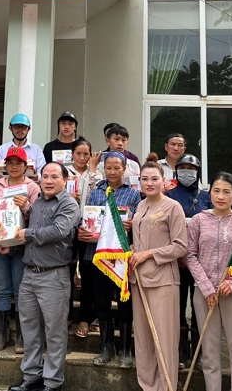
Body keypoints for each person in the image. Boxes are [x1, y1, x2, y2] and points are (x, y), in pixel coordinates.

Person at [8, 162, 79, 391]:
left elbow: (58, 231)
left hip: (54, 276)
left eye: (54, 177)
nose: (48, 181)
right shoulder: (38, 201)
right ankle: (31, 377)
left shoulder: (69, 204)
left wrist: (27, 234)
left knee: (55, 331)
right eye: (45, 176)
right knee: (29, 328)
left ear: (64, 180)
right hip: (29, 274)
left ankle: (52, 382)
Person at [185, 172, 232, 391]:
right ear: (209, 192)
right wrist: (205, 286)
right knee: (210, 351)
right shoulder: (198, 220)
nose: (220, 196)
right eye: (216, 190)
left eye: (226, 192)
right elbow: (190, 255)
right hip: (205, 295)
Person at [129, 158, 187, 391]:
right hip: (138, 280)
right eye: (145, 179)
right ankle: (148, 386)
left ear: (165, 181)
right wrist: (134, 251)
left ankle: (166, 387)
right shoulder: (140, 206)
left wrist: (148, 254)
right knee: (143, 340)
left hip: (163, 281)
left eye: (154, 179)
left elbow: (181, 246)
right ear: (139, 182)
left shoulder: (173, 207)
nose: (149, 183)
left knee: (164, 339)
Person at [81, 151, 141, 367]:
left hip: (122, 257)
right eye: (108, 167)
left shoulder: (134, 195)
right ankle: (106, 348)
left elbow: (139, 224)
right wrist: (84, 230)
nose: (113, 171)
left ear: (124, 169)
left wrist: (132, 224)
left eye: (117, 167)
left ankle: (125, 349)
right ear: (103, 169)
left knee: (125, 304)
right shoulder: (96, 193)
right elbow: (88, 219)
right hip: (97, 255)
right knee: (102, 303)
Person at [0, 146, 40, 353]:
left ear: (25, 166)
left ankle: (21, 336)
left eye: (18, 163)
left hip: (22, 246)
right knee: (1, 290)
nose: (14, 166)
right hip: (0, 245)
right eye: (10, 163)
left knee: (21, 292)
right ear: (5, 165)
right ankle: (2, 335)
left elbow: (38, 218)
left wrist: (27, 207)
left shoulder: (33, 187)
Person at [165, 153, 212, 367]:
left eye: (191, 169)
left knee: (200, 307)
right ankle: (181, 351)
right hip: (175, 261)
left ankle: (201, 352)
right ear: (176, 171)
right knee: (177, 305)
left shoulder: (206, 196)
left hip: (202, 262)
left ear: (198, 171)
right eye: (182, 167)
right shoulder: (169, 194)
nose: (187, 172)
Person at [70, 138, 103, 339]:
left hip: (90, 229)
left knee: (89, 273)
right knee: (66, 271)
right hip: (68, 229)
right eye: (78, 153)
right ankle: (66, 316)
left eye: (86, 154)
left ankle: (86, 317)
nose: (82, 157)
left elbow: (96, 196)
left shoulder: (97, 174)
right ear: (72, 154)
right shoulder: (65, 173)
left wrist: (92, 169)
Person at [0, 114, 46, 179]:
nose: (20, 130)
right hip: (6, 187)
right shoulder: (2, 149)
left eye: (23, 127)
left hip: (30, 187)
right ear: (10, 128)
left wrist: (38, 177)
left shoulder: (36, 149)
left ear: (29, 129)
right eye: (16, 127)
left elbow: (43, 172)